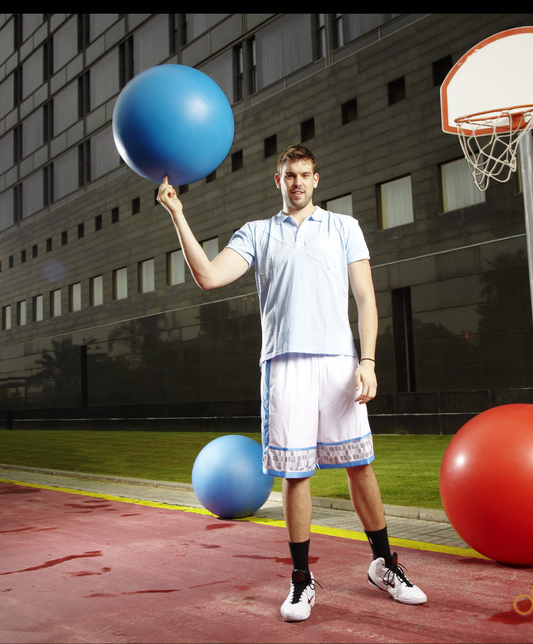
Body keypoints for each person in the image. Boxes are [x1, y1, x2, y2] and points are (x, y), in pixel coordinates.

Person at [156, 144, 426, 622]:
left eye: (305, 174)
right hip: (284, 364)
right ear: (277, 181)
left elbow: (366, 299)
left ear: (316, 180)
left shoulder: (344, 227)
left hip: (339, 363)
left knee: (360, 465)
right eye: (289, 175)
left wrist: (368, 361)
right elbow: (209, 277)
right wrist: (178, 213)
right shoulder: (257, 233)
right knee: (296, 474)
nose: (297, 182)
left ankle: (385, 564)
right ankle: (302, 580)